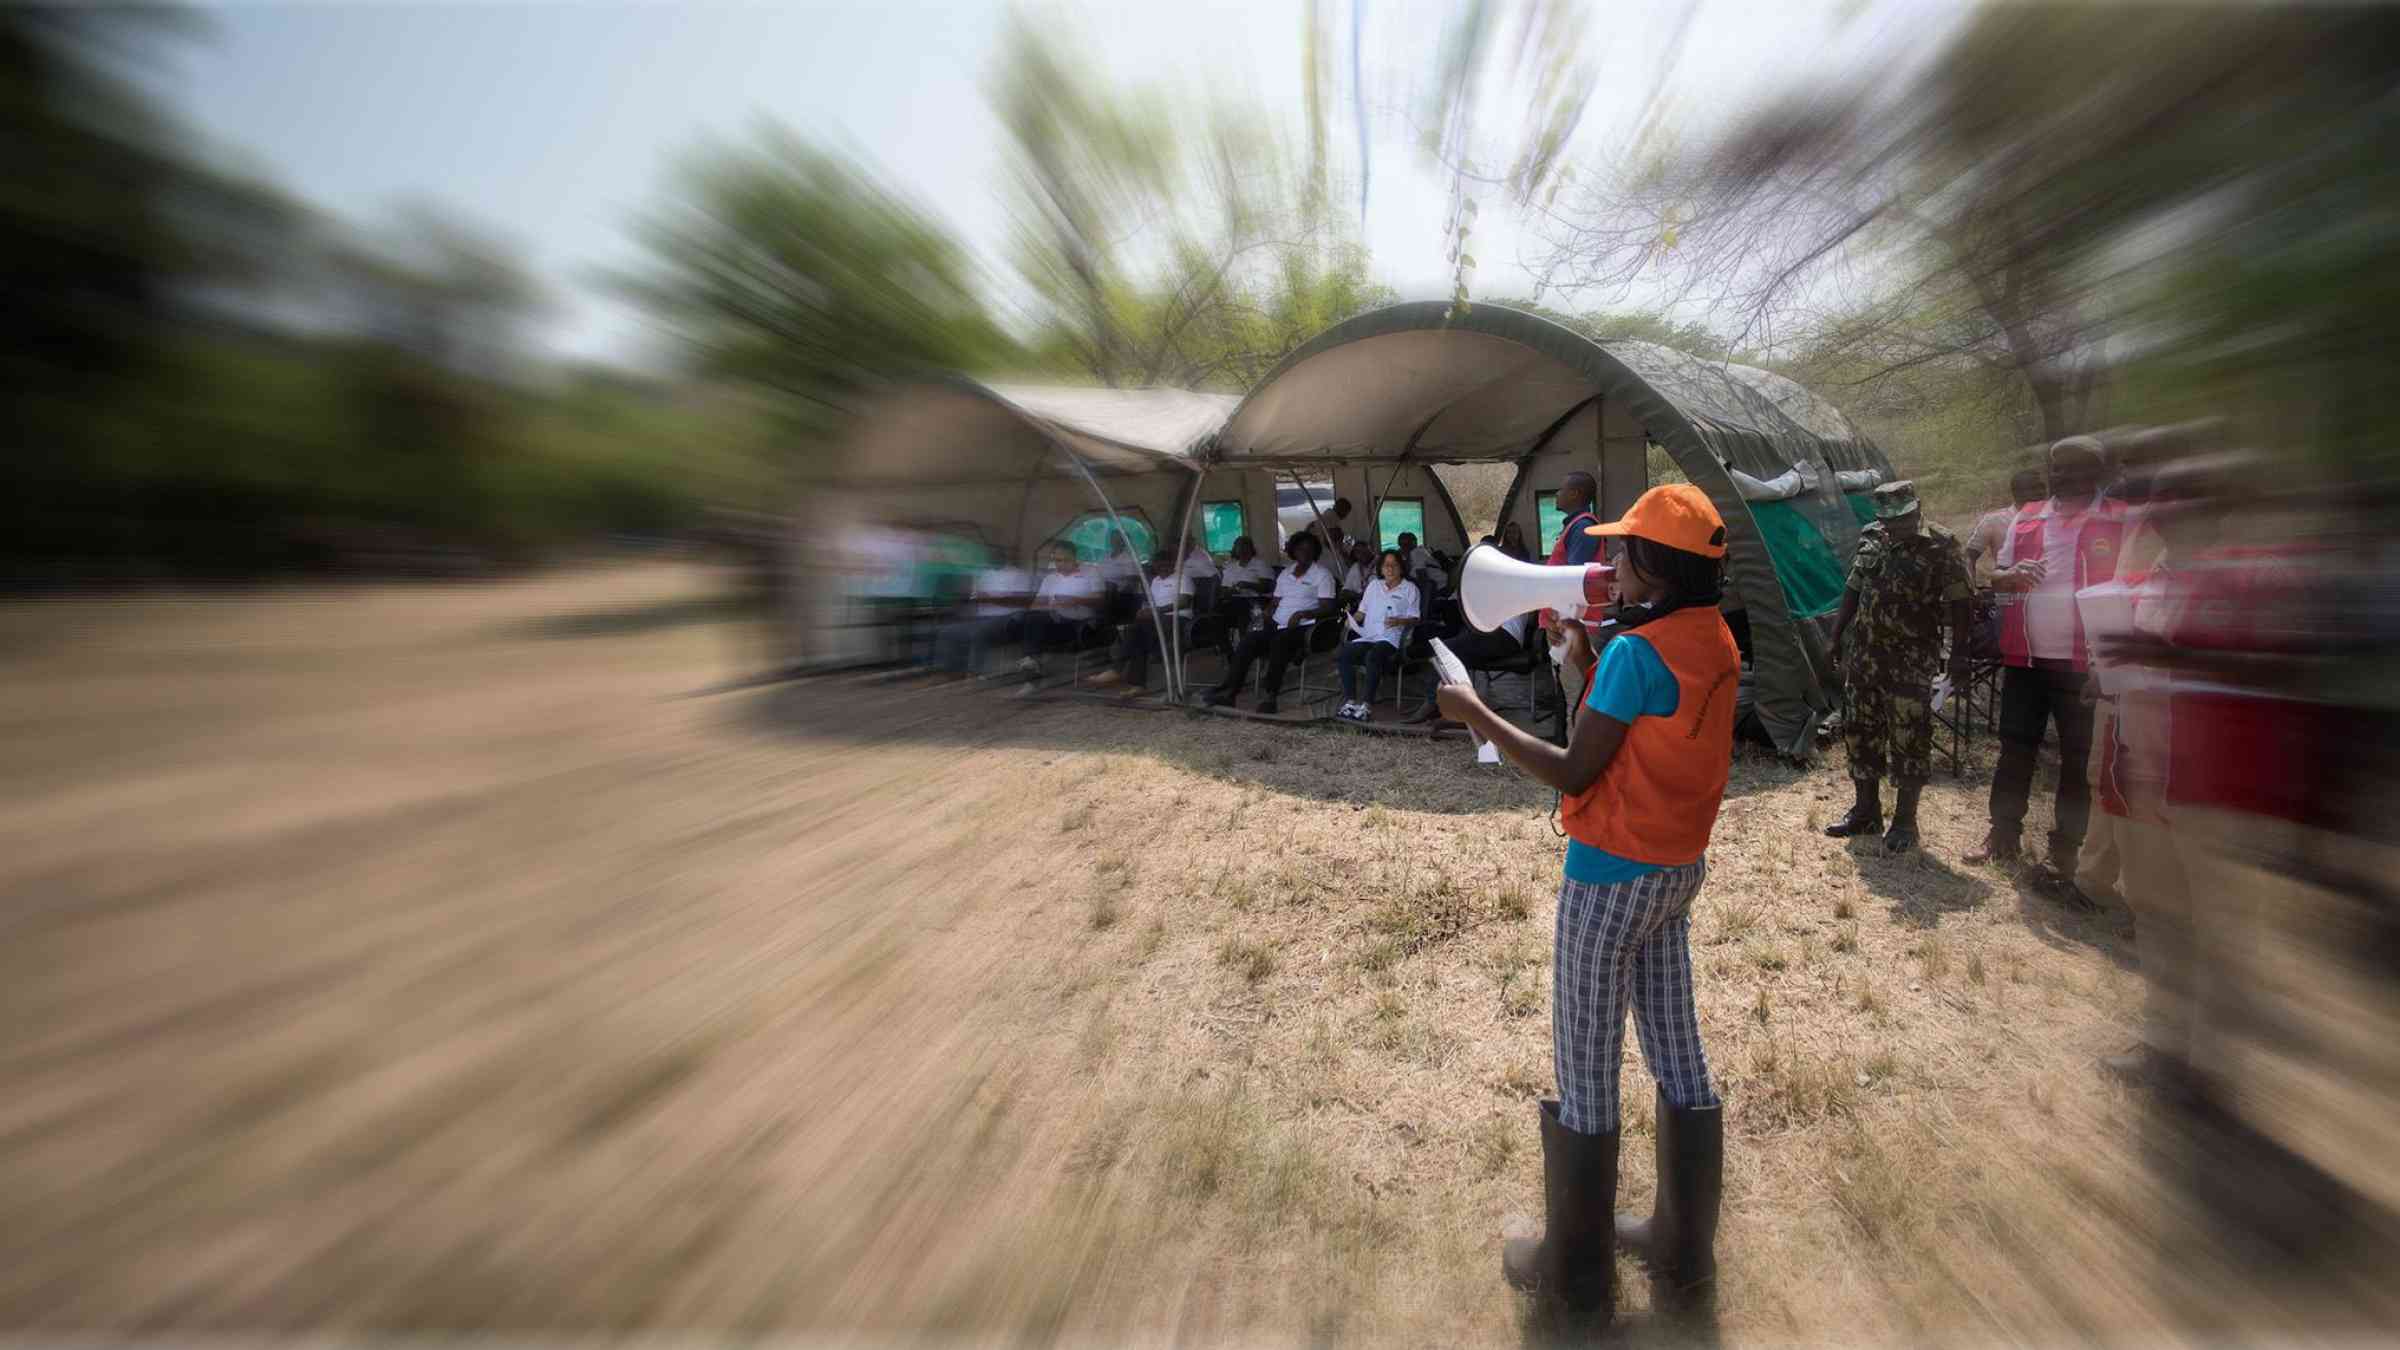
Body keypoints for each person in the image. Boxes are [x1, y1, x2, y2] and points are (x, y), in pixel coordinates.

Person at [1435, 484, 1735, 1332]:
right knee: (1676, 1045)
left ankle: (1576, 1273)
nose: (1611, 564)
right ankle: (1683, 1249)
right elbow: (1649, 725)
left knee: (1586, 1060)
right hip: (1676, 868)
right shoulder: (1708, 637)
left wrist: (1477, 715)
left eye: (1626, 552)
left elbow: (1576, 771)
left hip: (1609, 877)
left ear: (1654, 567)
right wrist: (1582, 661)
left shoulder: (1639, 652)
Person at [1970, 436, 2129, 882]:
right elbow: (1995, 578)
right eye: (2056, 468)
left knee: (2078, 760)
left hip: (2085, 663)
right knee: (2014, 748)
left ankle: (2064, 852)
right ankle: (2002, 835)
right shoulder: (2027, 516)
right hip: (2025, 657)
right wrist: (2010, 576)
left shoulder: (2120, 521)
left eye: (2075, 468)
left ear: (2098, 473)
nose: (2062, 476)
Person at [1823, 481, 1972, 852]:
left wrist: (1959, 655)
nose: (1894, 528)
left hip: (1911, 658)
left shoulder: (1941, 544)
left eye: (1901, 520)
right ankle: (1865, 812)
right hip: (1865, 655)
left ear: (1916, 510)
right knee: (1859, 730)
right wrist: (1836, 636)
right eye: (1887, 521)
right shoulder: (1872, 536)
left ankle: (1905, 822)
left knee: (1909, 735)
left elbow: (1961, 604)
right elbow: (1854, 589)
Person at [1199, 532, 1338, 715]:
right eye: (1300, 549)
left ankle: (1270, 696)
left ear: (1315, 552)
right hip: (1277, 622)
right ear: (1293, 551)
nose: (1304, 552)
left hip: (1304, 626)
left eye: (1309, 549)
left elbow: (1328, 606)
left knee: (1279, 643)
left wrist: (1304, 613)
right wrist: (1264, 614)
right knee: (1248, 641)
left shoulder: (1322, 574)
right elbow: (1275, 601)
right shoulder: (1286, 573)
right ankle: (1230, 692)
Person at [1541, 471, 1606, 726]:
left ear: (1576, 494)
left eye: (1561, 489)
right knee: (1572, 694)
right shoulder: (1575, 526)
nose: (1557, 493)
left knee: (1576, 697)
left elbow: (1573, 583)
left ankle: (1574, 757)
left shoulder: (1583, 527)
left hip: (1576, 626)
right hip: (1568, 624)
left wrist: (1561, 624)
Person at [1334, 547, 1421, 721]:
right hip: (1369, 635)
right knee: (1344, 653)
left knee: (1372, 656)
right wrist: (1351, 621)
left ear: (1402, 568)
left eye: (1394, 565)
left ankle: (1366, 705)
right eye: (1386, 565)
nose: (1389, 569)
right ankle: (1350, 701)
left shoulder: (1410, 589)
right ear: (1380, 568)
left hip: (1391, 638)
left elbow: (1416, 619)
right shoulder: (1374, 585)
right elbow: (1361, 612)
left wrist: (1400, 621)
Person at [1087, 550, 1191, 693]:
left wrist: (1155, 611)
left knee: (1136, 633)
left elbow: (1183, 603)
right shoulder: (1155, 581)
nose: (1163, 567)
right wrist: (1144, 611)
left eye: (1167, 564)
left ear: (1173, 564)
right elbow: (1151, 603)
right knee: (1135, 634)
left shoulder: (1182, 578)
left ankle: (1119, 671)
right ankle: (1137, 685)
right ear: (1154, 566)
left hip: (1178, 618)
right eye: (1159, 565)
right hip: (1157, 619)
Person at [1015, 543, 1105, 693]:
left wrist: (1074, 600)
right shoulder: (1050, 578)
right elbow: (1036, 604)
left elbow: (1101, 601)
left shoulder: (1091, 572)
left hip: (1078, 625)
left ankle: (1031, 667)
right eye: (1057, 560)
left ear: (1075, 558)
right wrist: (1049, 609)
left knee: (1033, 622)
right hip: (1051, 622)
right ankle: (1031, 663)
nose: (1060, 564)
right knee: (1022, 617)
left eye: (1065, 560)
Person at [929, 551, 1032, 678]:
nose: (991, 559)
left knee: (980, 632)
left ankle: (974, 673)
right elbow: (976, 598)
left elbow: (1021, 602)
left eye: (995, 556)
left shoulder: (1018, 575)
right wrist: (969, 603)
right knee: (948, 631)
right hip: (981, 619)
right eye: (990, 557)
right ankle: (950, 671)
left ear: (1005, 557)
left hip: (1007, 620)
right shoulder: (985, 575)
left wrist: (990, 599)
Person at [1966, 468, 2046, 586]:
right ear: (2017, 492)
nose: (2041, 492)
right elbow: (1968, 557)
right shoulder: (1994, 521)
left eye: (2042, 487)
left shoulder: (2055, 518)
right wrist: (1971, 590)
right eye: (2034, 488)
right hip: (2010, 590)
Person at [1214, 535, 1277, 654]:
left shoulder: (1260, 564)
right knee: (1216, 614)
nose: (1242, 549)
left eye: (1245, 546)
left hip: (1257, 600)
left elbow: (1267, 587)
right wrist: (1230, 591)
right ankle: (1228, 650)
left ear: (1251, 548)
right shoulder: (1231, 566)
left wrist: (1248, 585)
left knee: (1244, 613)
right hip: (1235, 600)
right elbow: (1224, 590)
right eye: (1238, 546)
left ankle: (1247, 650)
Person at [1311, 496, 1356, 560]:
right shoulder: (1331, 517)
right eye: (1346, 512)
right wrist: (1351, 544)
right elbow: (1331, 537)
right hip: (1323, 553)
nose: (1346, 515)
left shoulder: (1329, 516)